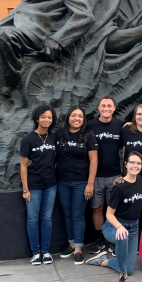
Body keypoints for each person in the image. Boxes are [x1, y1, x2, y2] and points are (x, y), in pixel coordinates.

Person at [86, 152, 142, 282]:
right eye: (132, 162)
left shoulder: (139, 181)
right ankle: (122, 279)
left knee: (130, 269)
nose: (135, 166)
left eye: (138, 163)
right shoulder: (119, 187)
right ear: (126, 164)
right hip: (114, 226)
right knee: (122, 237)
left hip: (134, 227)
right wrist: (119, 227)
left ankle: (104, 261)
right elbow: (109, 214)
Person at [56, 106, 98, 265]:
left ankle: (79, 248)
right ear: (68, 117)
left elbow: (94, 161)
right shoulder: (60, 134)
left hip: (81, 182)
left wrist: (90, 183)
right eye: (74, 115)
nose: (77, 119)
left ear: (83, 119)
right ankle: (71, 244)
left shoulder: (89, 136)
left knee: (78, 215)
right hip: (62, 181)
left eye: (80, 116)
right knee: (67, 214)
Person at [20, 103, 58, 265]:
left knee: (47, 218)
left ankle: (46, 251)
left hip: (51, 184)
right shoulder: (28, 139)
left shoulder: (54, 137)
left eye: (49, 117)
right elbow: (22, 165)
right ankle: (36, 252)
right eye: (43, 117)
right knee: (32, 219)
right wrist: (25, 189)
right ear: (37, 118)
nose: (46, 120)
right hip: (33, 186)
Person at [86, 96, 123, 254]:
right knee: (97, 208)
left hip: (115, 174)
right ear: (98, 108)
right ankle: (99, 239)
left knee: (114, 209)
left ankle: (114, 240)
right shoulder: (90, 125)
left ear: (114, 108)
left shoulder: (120, 125)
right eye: (103, 106)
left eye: (109, 106)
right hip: (96, 176)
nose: (106, 108)